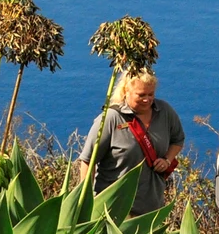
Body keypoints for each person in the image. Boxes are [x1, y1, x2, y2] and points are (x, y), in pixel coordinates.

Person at [75, 68, 185, 216]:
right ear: (126, 91)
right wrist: (85, 199)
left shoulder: (164, 111)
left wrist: (167, 159)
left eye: (150, 94)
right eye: (141, 95)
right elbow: (88, 160)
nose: (147, 99)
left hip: (151, 207)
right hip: (113, 207)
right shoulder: (111, 118)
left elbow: (178, 139)